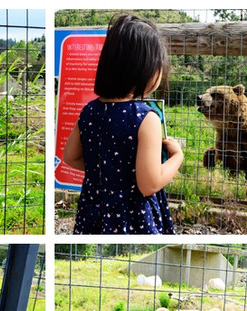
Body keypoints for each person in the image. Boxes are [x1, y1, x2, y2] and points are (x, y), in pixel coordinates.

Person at [63, 14, 183, 234]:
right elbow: (149, 184)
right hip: (132, 219)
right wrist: (177, 157)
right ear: (145, 68)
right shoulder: (146, 118)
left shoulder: (89, 110)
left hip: (92, 215)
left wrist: (108, 175)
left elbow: (70, 156)